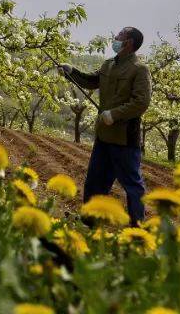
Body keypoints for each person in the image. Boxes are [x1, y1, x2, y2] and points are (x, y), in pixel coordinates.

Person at [59, 26, 152, 224]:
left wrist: (114, 114)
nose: (115, 38)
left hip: (125, 137)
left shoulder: (139, 69)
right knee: (95, 182)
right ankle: (89, 221)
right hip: (104, 136)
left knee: (132, 184)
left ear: (128, 43)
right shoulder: (109, 64)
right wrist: (71, 72)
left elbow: (141, 102)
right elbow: (92, 80)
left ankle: (137, 225)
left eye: (120, 36)